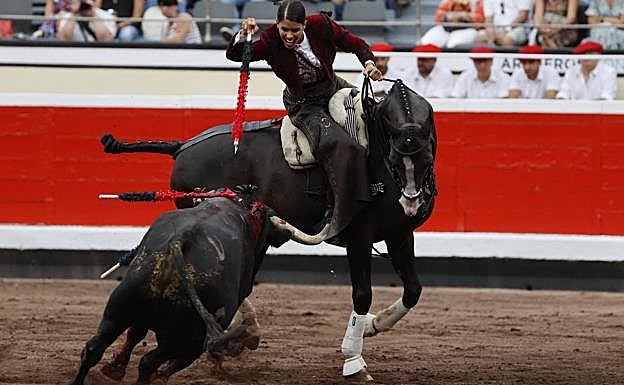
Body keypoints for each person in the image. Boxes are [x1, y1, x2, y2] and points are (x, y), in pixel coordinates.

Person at [225, 0, 383, 241]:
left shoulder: (322, 26)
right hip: (304, 105)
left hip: (332, 87)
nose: (289, 36)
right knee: (340, 145)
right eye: (284, 30)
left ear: (305, 25)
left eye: (295, 30)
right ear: (277, 25)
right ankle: (335, 209)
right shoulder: (269, 40)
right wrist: (243, 34)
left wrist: (369, 63)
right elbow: (236, 56)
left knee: (376, 116)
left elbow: (356, 44)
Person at [420, 0, 485, 48]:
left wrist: (464, 15)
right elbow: (438, 18)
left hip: (468, 28)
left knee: (454, 44)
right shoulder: (447, 1)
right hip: (446, 28)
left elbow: (480, 19)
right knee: (426, 42)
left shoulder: (478, 2)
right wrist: (448, 16)